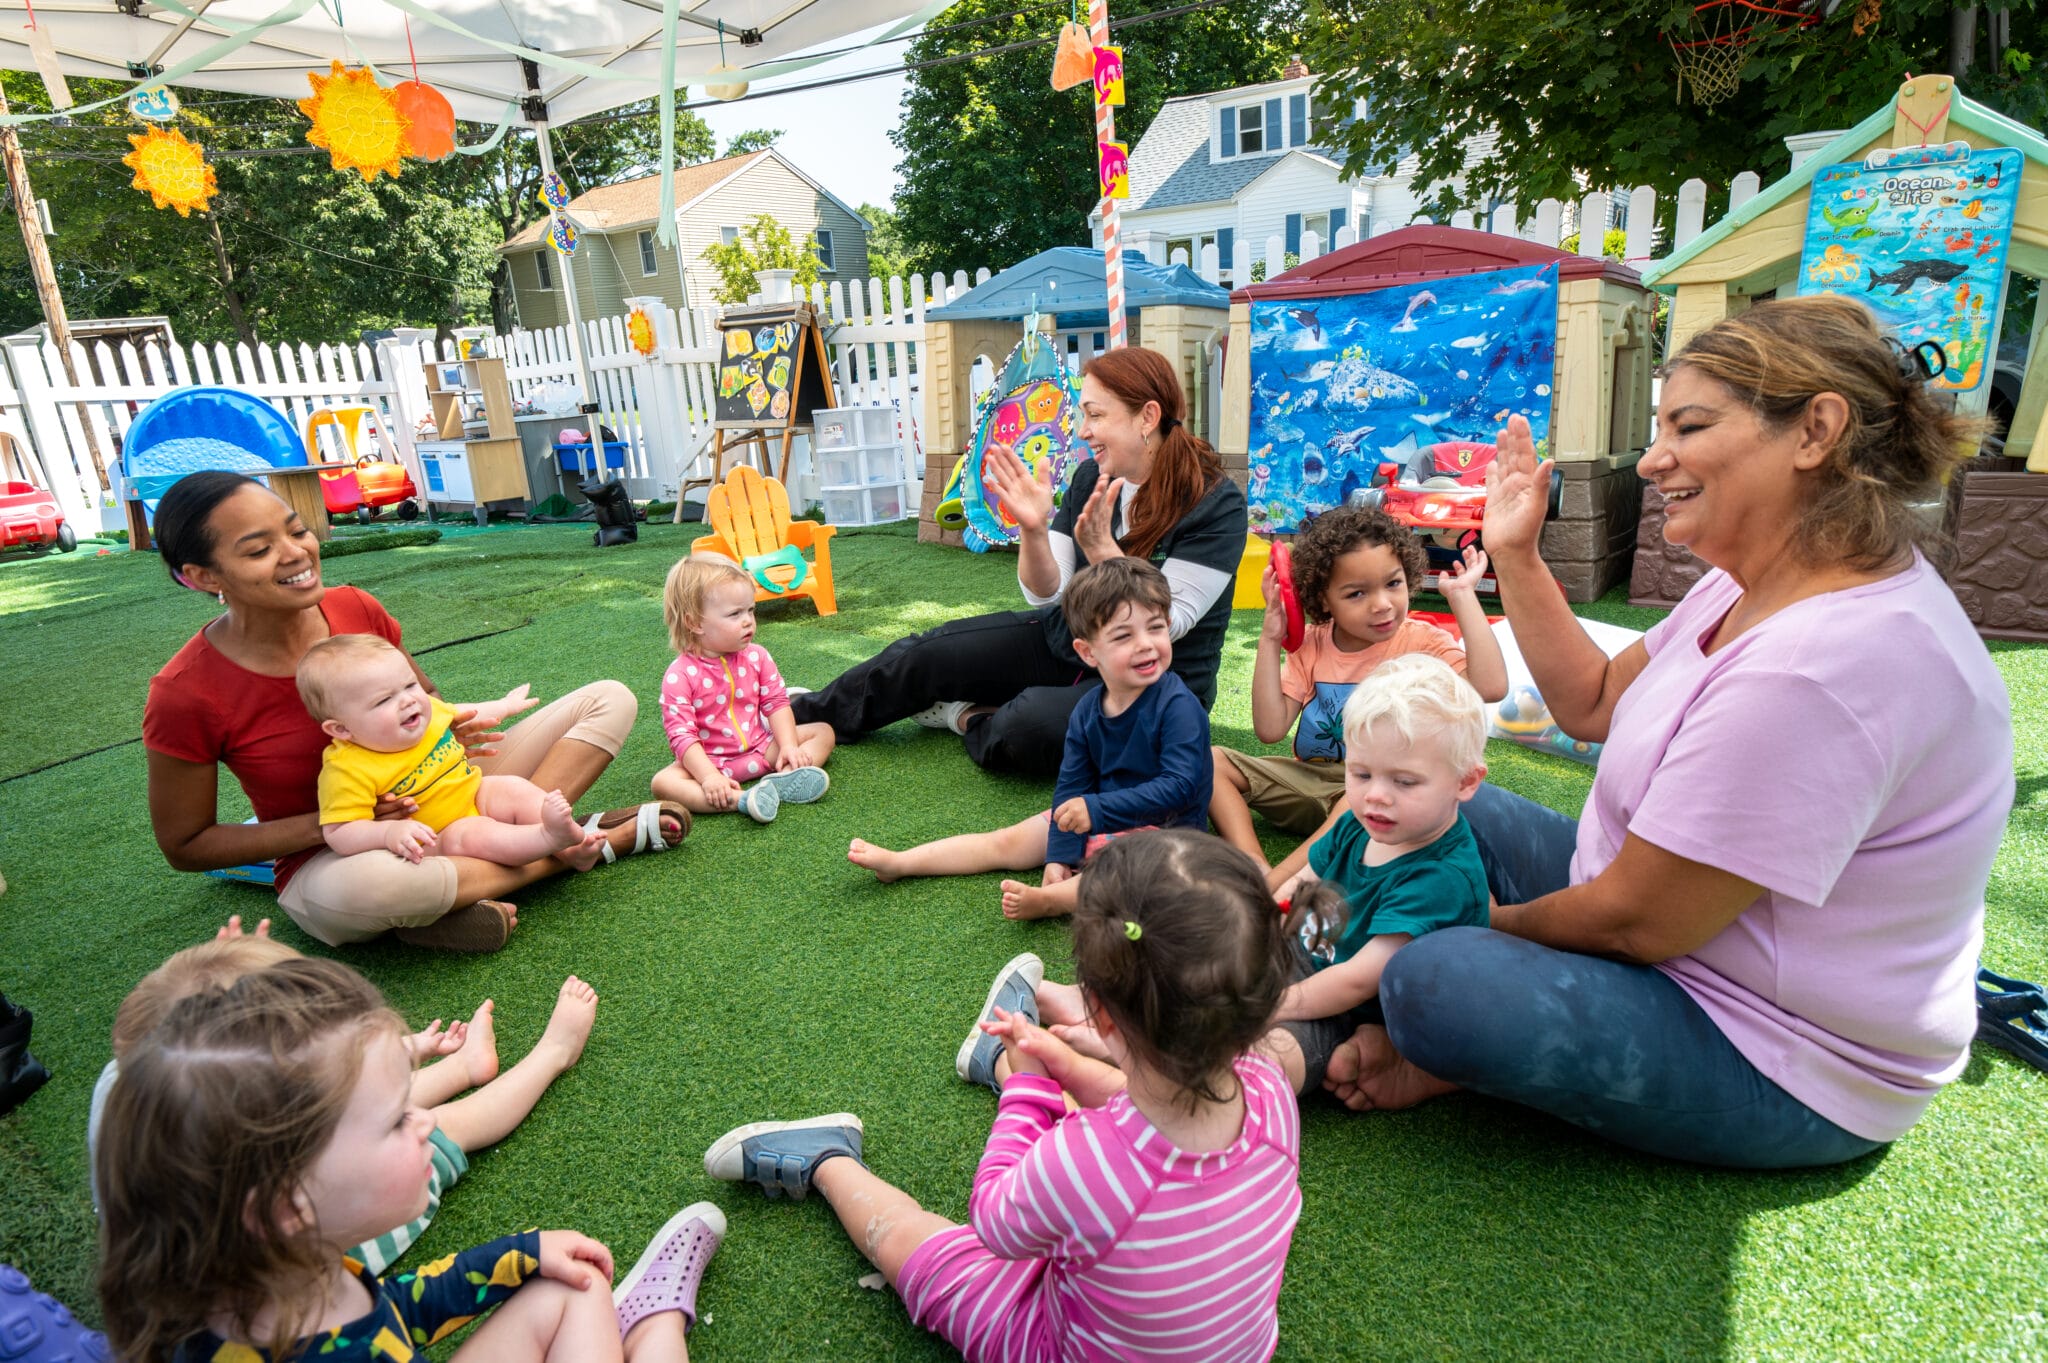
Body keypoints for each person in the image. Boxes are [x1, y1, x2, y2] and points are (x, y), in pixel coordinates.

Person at [1322, 295, 2015, 1169]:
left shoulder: (1823, 666)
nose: (1652, 460)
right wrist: (1519, 554)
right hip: (1671, 929)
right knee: (1444, 802)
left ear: (1816, 431)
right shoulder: (1754, 578)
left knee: (1432, 978)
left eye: (1687, 426)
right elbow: (1594, 702)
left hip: (1780, 1045)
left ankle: (1447, 1047)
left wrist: (1439, 923)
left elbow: (1636, 924)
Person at [703, 829, 1303, 1363]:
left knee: (931, 1257)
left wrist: (1029, 1087)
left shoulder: (1087, 1162)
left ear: (1099, 1014)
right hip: (1227, 1345)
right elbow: (1150, 1108)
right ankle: (997, 1064)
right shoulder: (1271, 1090)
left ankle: (827, 1159)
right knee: (1099, 1206)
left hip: (1063, 1341)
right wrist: (1067, 1065)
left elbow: (994, 1224)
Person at [142, 472, 685, 954]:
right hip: (341, 853)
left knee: (609, 698)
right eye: (259, 549)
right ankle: (583, 842)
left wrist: (456, 725)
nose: (295, 553)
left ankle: (489, 873)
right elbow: (188, 846)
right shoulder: (186, 692)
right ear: (204, 576)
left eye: (297, 530)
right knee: (369, 891)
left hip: (450, 793)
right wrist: (347, 823)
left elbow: (423, 699)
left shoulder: (354, 606)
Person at [95, 956, 724, 1362]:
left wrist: (515, 1259)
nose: (426, 1123)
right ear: (288, 1205)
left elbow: (398, 1306)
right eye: (397, 1120)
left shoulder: (276, 1281)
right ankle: (655, 1331)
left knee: (572, 1287)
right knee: (612, 1318)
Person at [791, 346, 1248, 779]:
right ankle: (793, 714)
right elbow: (1048, 593)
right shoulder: (1091, 476)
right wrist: (1032, 530)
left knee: (1028, 725)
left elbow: (1166, 627)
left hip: (1155, 683)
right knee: (931, 652)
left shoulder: (1214, 502)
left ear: (1147, 416)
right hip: (1071, 644)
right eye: (1083, 413)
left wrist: (1106, 555)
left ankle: (966, 714)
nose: (1083, 429)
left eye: (1095, 414)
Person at [86, 915, 598, 1276]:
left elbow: (331, 1087)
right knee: (447, 1126)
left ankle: (462, 1067)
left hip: (286, 1178)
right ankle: (552, 1053)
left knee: (359, 1106)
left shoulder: (136, 1087)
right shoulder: (304, 1279)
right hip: (323, 1232)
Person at [847, 559, 1210, 920]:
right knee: (1006, 841)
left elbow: (1180, 786)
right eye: (1123, 636)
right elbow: (1072, 784)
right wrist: (1059, 854)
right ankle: (901, 863)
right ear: (1087, 652)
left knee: (1121, 873)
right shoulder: (1087, 710)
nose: (1146, 645)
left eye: (1156, 627)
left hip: (1167, 837)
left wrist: (1096, 812)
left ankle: (1051, 901)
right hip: (1094, 818)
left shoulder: (1179, 706)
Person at [1211, 505, 1508, 869]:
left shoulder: (1422, 641)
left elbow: (1491, 688)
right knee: (1211, 762)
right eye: (1356, 594)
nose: (1382, 605)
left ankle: (1276, 885)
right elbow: (1270, 730)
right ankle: (1254, 864)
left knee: (1358, 796)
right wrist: (1271, 641)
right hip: (1313, 781)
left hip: (1380, 793)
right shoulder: (1313, 643)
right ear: (1323, 599)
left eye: (1393, 584)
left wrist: (1463, 595)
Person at [298, 635, 609, 870]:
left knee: (511, 788)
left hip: (473, 794)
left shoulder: (425, 712)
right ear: (341, 730)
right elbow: (339, 832)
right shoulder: (346, 769)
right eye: (383, 700)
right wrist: (389, 831)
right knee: (475, 833)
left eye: (409, 685)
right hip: (438, 833)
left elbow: (458, 712)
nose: (408, 701)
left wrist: (503, 706)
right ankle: (548, 840)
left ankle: (573, 851)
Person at [650, 555, 834, 825]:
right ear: (695, 623)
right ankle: (743, 800)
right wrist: (709, 777)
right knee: (663, 783)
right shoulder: (679, 675)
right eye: (735, 614)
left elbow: (776, 702)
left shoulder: (757, 656)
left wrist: (788, 746)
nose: (748, 621)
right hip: (711, 762)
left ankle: (782, 779)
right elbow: (682, 736)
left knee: (824, 732)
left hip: (761, 749)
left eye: (750, 610)